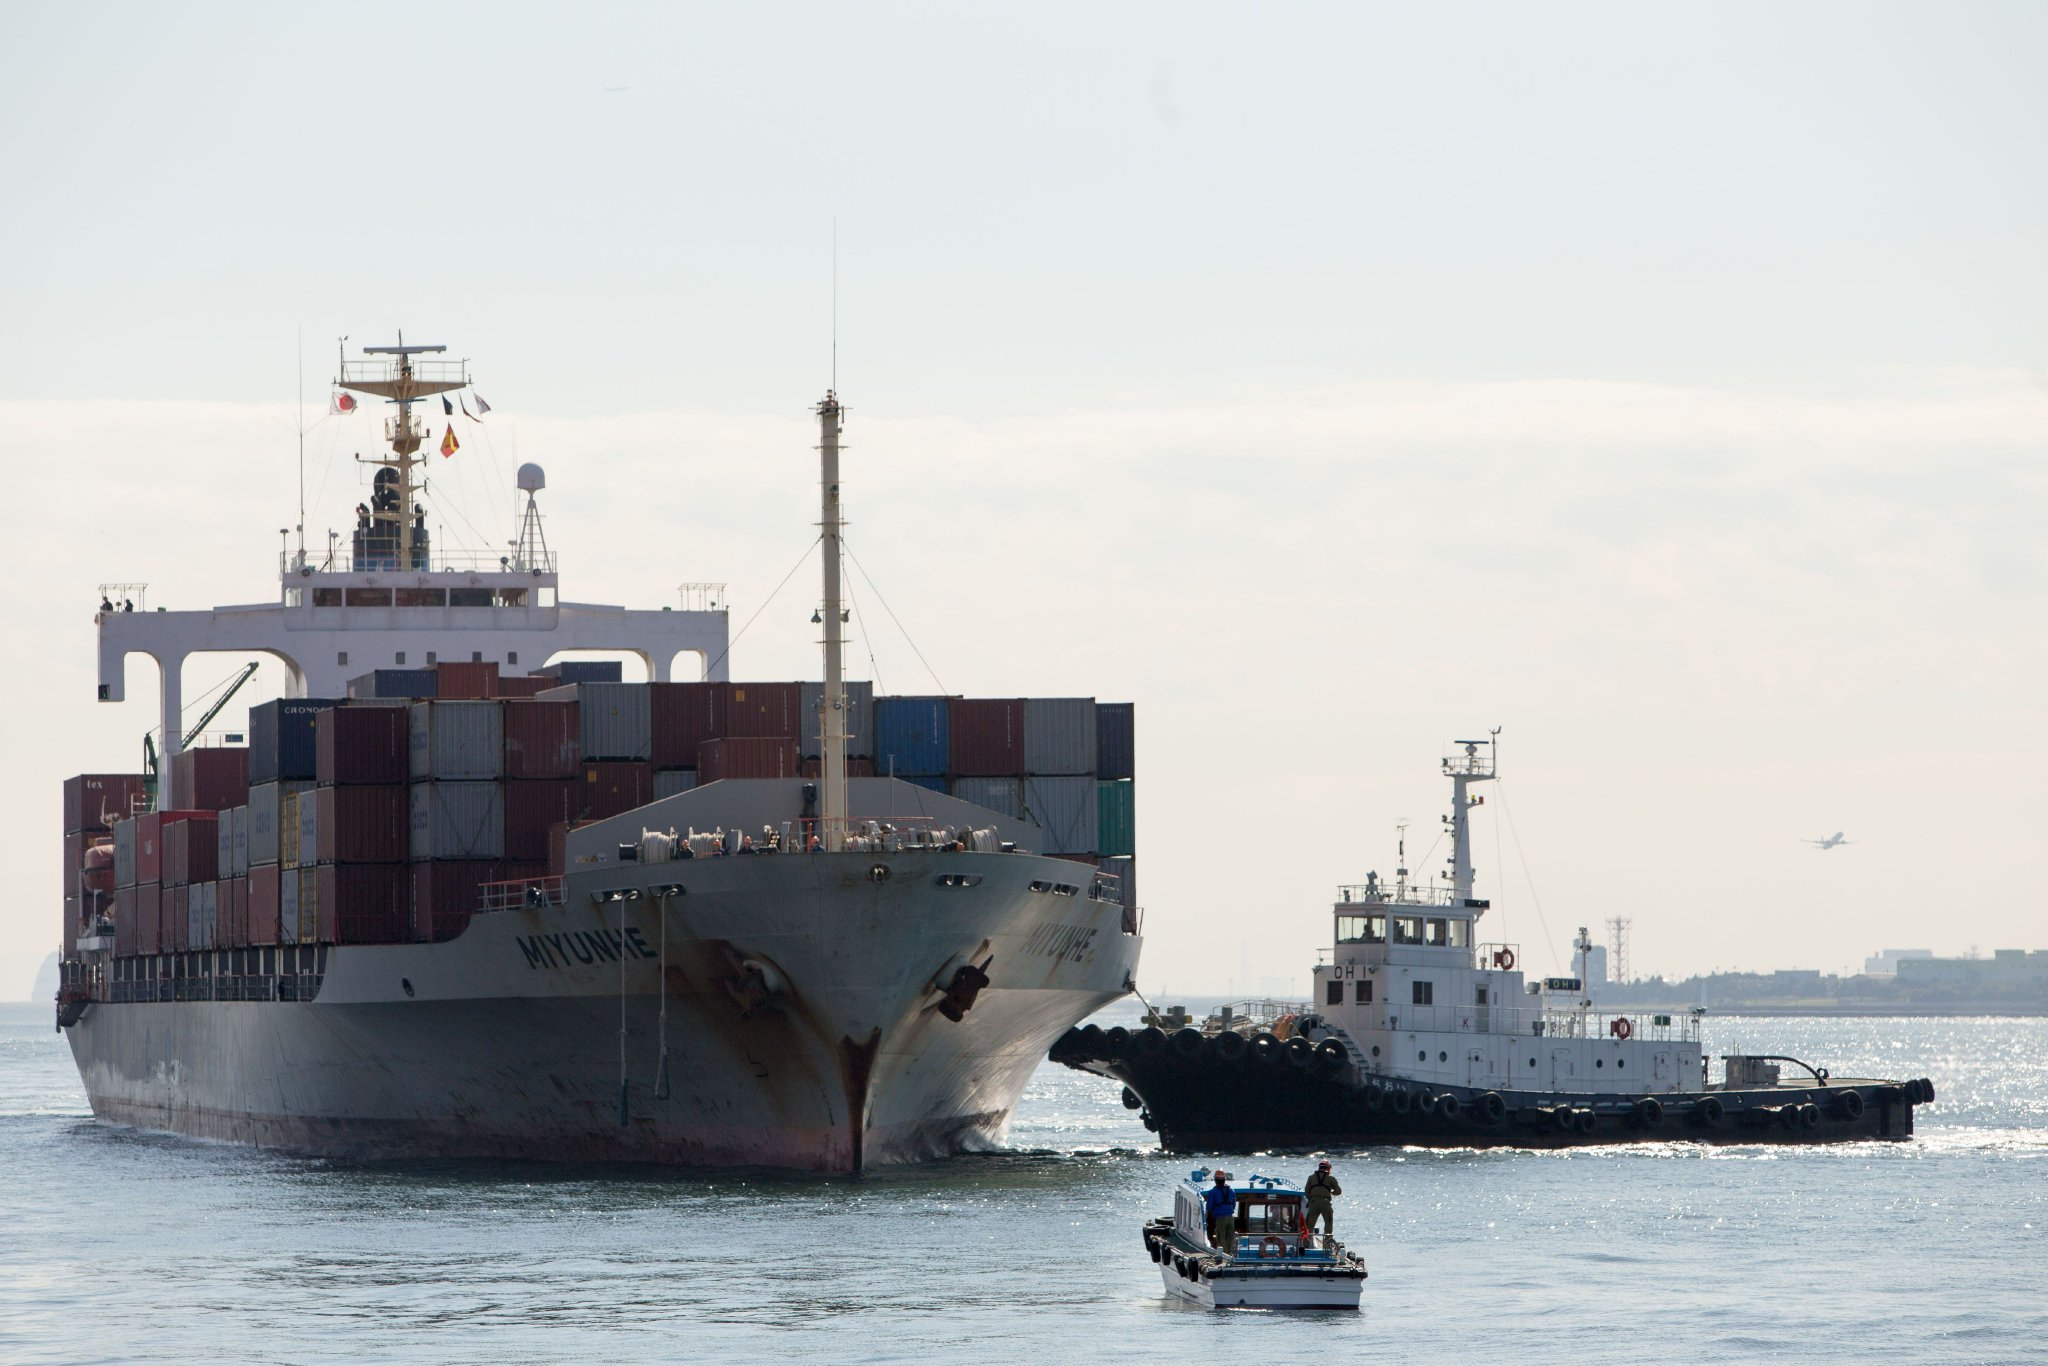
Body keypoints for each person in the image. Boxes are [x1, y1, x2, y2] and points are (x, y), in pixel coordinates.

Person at [1304, 1159, 1342, 1240]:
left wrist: (1311, 1199)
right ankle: (1327, 1244)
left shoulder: (1311, 1178)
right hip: (1325, 1203)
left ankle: (1305, 1245)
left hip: (1313, 1203)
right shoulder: (1331, 1178)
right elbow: (1339, 1191)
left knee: (1309, 1226)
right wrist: (1332, 1193)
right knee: (1328, 1224)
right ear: (1328, 1168)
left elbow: (1306, 1192)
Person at [1204, 1170, 1237, 1255]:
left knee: (1221, 1237)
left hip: (1220, 1218)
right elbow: (1233, 1205)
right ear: (1224, 1180)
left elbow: (1209, 1207)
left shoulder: (1213, 1192)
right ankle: (1230, 1254)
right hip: (1230, 1217)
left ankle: (1225, 1256)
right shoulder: (1231, 1191)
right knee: (1230, 1237)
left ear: (1215, 1180)